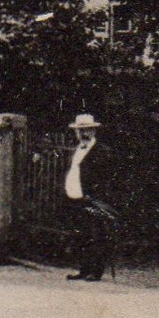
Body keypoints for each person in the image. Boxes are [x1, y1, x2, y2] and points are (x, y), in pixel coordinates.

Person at [63, 113, 120, 281]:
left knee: (97, 234)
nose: (82, 134)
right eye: (79, 131)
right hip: (75, 197)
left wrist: (96, 197)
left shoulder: (101, 151)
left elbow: (106, 178)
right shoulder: (76, 150)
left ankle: (96, 271)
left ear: (93, 131)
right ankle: (83, 269)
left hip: (93, 199)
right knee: (81, 234)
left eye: (86, 130)